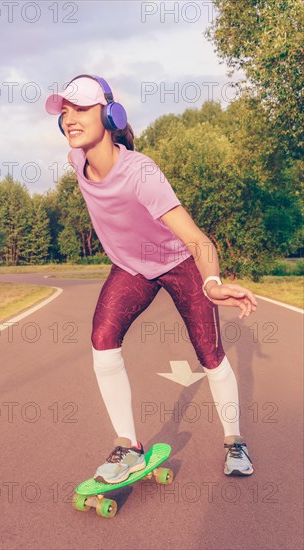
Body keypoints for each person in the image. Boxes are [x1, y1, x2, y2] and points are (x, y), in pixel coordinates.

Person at [45, 75, 257, 483]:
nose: (70, 119)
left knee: (209, 352)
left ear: (110, 114)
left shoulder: (142, 173)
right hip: (131, 267)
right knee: (102, 338)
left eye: (82, 108)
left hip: (179, 263)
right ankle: (129, 447)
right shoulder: (76, 161)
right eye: (65, 112)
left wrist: (211, 283)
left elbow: (197, 240)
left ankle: (234, 440)